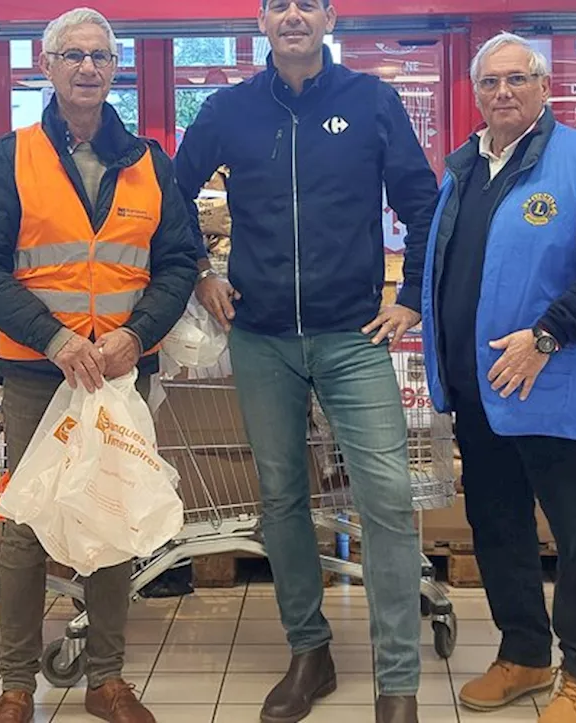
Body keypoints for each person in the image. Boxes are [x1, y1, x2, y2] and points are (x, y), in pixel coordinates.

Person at [173, 1, 439, 721]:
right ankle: (309, 651)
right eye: (279, 4)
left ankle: (397, 679)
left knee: (385, 495)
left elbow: (423, 202)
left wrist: (411, 295)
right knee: (282, 499)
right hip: (260, 336)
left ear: (329, 19)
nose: (293, 15)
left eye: (308, 4)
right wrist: (200, 268)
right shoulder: (230, 109)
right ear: (262, 21)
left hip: (354, 336)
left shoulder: (371, 102)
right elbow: (170, 191)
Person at [0, 8, 198, 723]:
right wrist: (57, 339)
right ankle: (15, 686)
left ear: (114, 68)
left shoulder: (149, 161)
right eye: (73, 55)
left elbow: (179, 260)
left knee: (112, 516)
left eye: (99, 56)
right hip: (39, 370)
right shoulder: (13, 157)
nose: (87, 67)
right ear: (49, 64)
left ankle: (108, 679)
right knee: (28, 526)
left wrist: (138, 333)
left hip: (122, 369)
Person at [419, 32, 576, 723]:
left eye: (517, 79)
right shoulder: (464, 169)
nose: (503, 93)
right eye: (490, 83)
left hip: (553, 385)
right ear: (476, 93)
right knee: (498, 526)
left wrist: (547, 335)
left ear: (544, 87)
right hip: (481, 391)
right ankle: (523, 653)